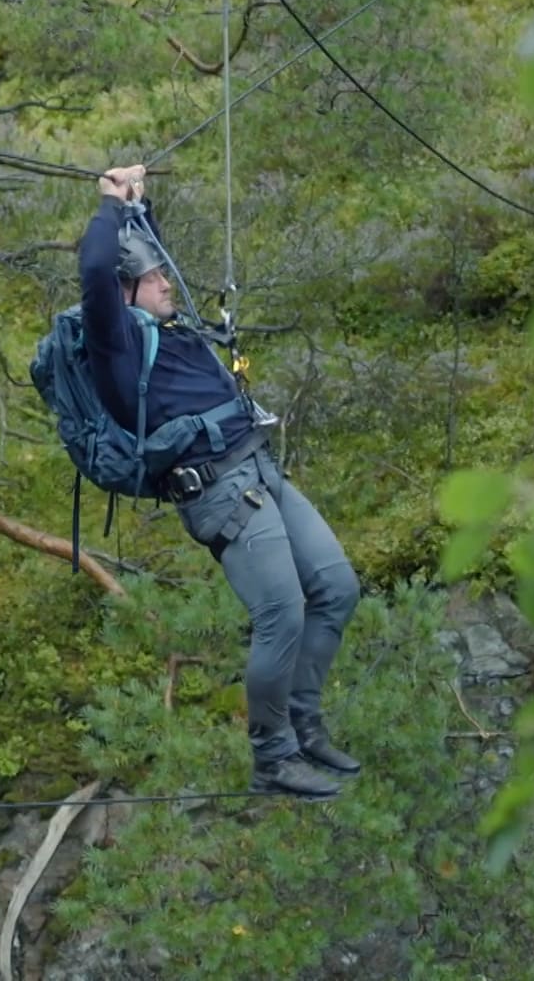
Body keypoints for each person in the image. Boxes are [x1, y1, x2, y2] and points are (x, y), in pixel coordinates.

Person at [80, 164, 362, 799]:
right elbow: (98, 272)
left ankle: (304, 721)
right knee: (282, 612)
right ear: (126, 293)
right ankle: (273, 757)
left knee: (337, 588)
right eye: (150, 280)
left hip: (259, 467)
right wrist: (105, 205)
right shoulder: (115, 338)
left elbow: (154, 261)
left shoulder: (166, 327)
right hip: (220, 489)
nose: (164, 283)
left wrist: (137, 208)